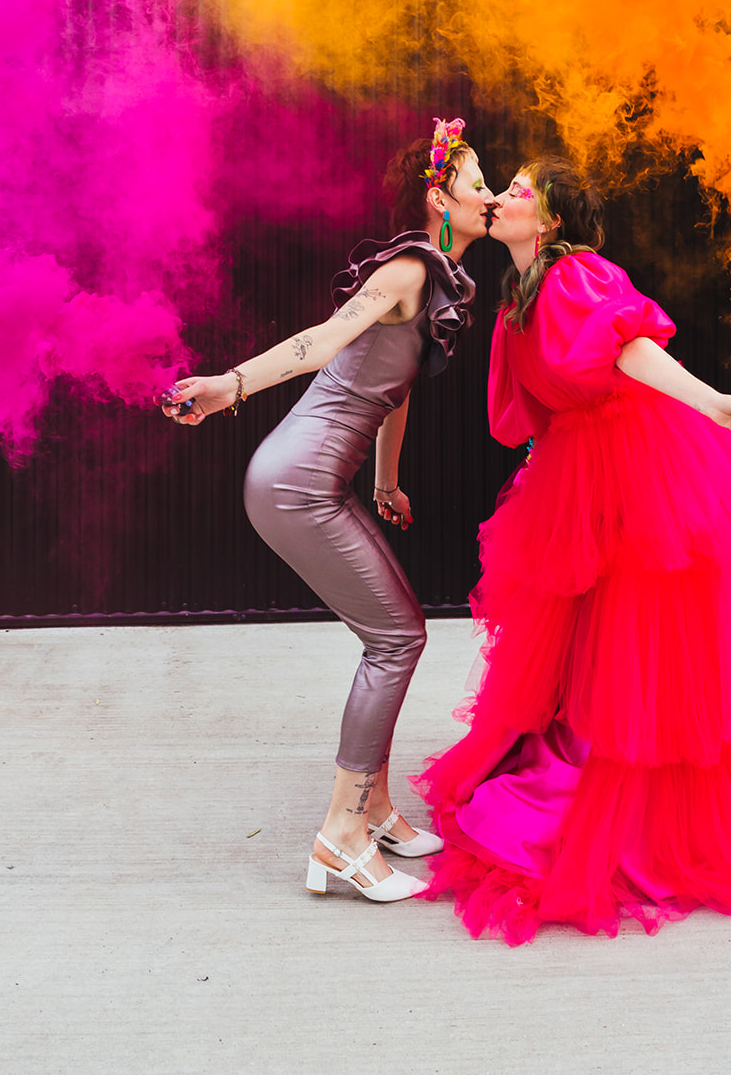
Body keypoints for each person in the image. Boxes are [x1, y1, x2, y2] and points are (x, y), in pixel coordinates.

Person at [415, 156, 731, 943]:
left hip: (636, 464)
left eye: (518, 190)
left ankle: (647, 813)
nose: (502, 196)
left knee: (641, 635)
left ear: (550, 221)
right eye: (500, 185)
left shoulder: (574, 275)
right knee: (586, 634)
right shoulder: (519, 293)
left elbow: (627, 350)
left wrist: (712, 403)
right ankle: (580, 763)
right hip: (581, 465)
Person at [162, 120, 493, 904]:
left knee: (392, 635)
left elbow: (390, 389)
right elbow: (323, 340)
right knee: (397, 638)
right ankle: (340, 835)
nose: (489, 194)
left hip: (318, 479)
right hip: (296, 482)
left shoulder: (434, 277)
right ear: (438, 193)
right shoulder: (411, 267)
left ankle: (375, 811)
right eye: (478, 181)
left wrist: (385, 480)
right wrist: (229, 387)